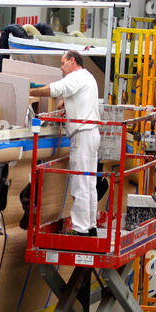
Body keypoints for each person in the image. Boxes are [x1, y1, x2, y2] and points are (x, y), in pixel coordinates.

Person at [30, 49, 101, 234]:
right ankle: (90, 225)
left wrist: (27, 90)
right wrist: (66, 102)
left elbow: (55, 89)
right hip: (91, 133)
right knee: (89, 182)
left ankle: (80, 228)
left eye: (63, 63)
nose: (61, 68)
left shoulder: (75, 77)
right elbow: (72, 94)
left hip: (82, 135)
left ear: (72, 61)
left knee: (80, 183)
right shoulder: (86, 77)